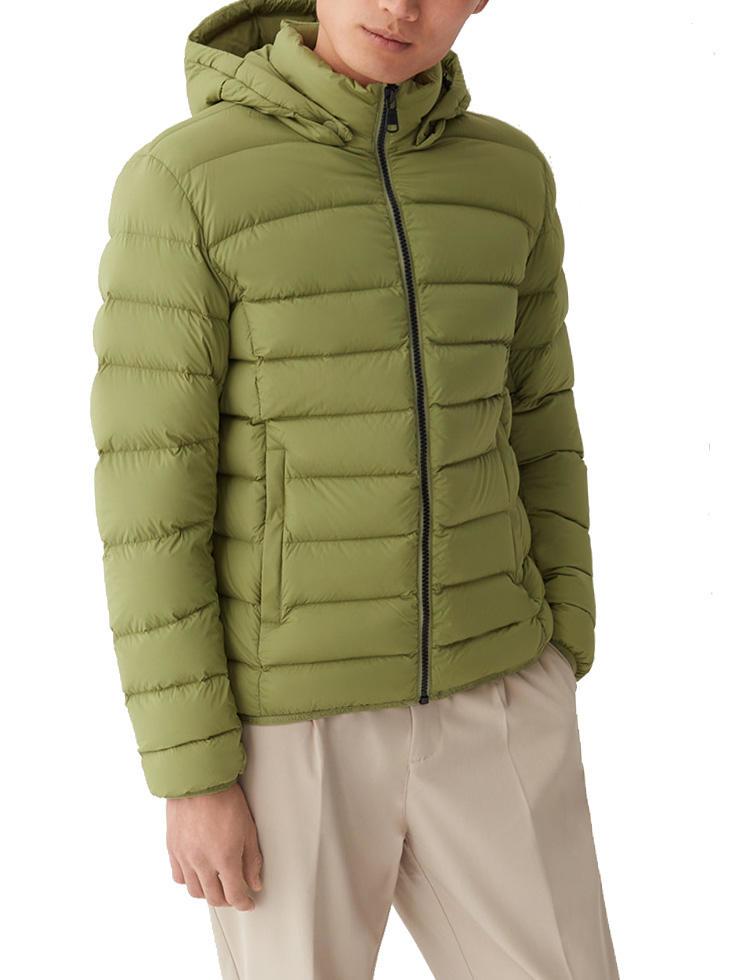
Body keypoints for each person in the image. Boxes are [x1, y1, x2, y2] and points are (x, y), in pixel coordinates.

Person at [89, 1, 620, 976]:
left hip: (497, 689)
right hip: (289, 727)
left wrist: (561, 641)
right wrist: (192, 769)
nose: (399, 7)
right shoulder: (185, 181)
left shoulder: (507, 177)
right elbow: (149, 496)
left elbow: (540, 416)